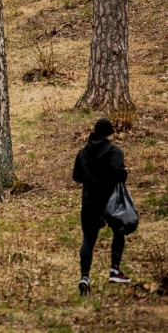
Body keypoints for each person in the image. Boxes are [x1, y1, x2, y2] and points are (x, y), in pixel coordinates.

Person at [73, 118, 131, 296]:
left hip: (90, 201)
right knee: (119, 232)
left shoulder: (83, 153)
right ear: (110, 133)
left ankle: (85, 277)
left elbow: (77, 176)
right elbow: (120, 175)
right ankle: (115, 270)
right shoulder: (115, 152)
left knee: (88, 240)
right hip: (111, 201)